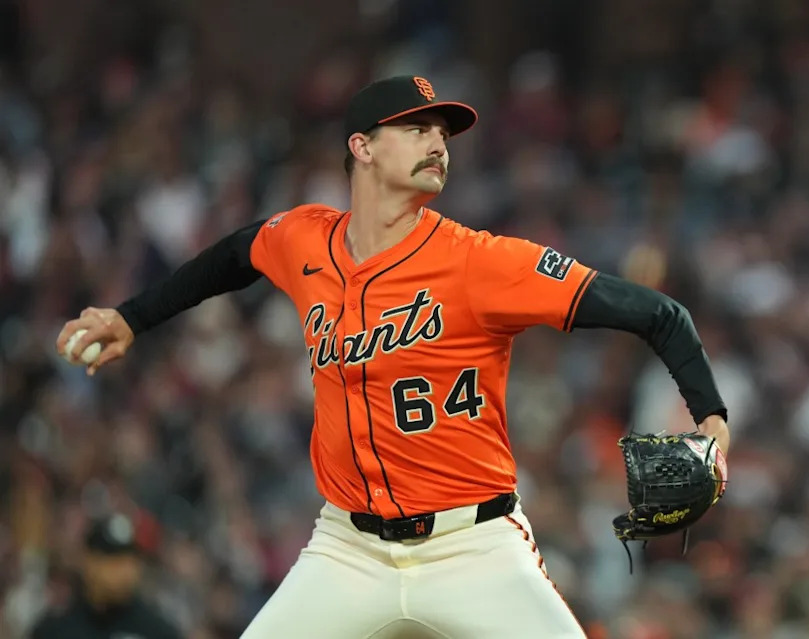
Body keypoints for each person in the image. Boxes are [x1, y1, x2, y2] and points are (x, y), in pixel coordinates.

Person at [57, 75, 731, 638]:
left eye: (443, 132)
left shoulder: (480, 261)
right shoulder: (304, 240)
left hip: (473, 543)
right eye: (416, 128)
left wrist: (711, 419)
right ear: (363, 146)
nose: (438, 142)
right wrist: (130, 317)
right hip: (347, 548)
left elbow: (658, 313)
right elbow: (236, 255)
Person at [29, 514, 182, 639]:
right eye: (112, 560)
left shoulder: (158, 631)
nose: (123, 571)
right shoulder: (54, 629)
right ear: (88, 560)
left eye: (128, 560)